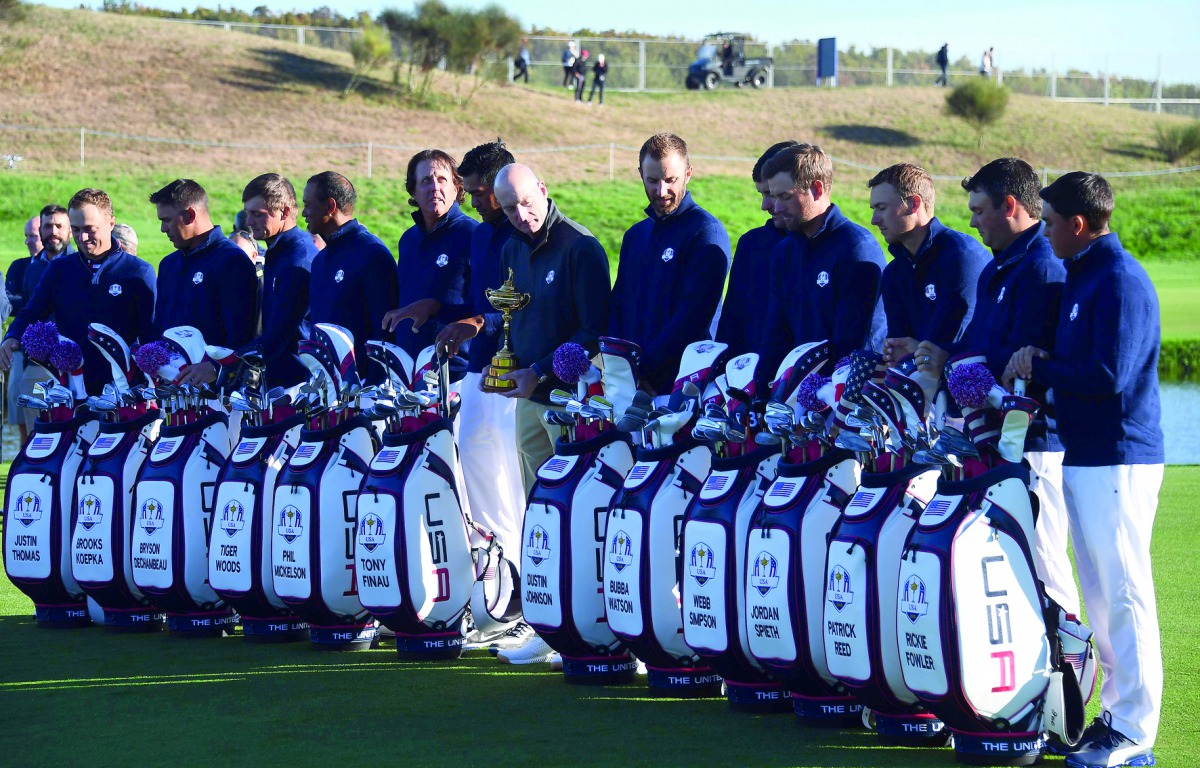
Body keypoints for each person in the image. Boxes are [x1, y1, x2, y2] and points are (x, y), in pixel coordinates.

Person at [1005, 172, 1163, 768]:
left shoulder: (1117, 279)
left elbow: (1109, 377)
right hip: (1088, 455)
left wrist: (1042, 367)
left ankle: (1134, 732)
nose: (1042, 231)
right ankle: (1114, 718)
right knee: (1101, 599)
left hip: (1120, 458)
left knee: (1124, 597)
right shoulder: (1083, 274)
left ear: (1076, 224)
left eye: (1047, 221)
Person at [920, 157, 1077, 615]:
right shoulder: (996, 268)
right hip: (995, 440)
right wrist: (949, 359)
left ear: (1010, 205)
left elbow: (1023, 362)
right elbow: (981, 349)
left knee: (1043, 560)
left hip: (1035, 442)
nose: (971, 220)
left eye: (978, 208)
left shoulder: (1042, 267)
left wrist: (975, 367)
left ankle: (1065, 673)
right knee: (1006, 557)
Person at [433, 140, 526, 619]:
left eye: (475, 192)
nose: (469, 201)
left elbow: (523, 304)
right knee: (476, 476)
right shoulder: (479, 235)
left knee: (514, 482)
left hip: (516, 377)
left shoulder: (526, 230)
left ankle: (530, 592)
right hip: (477, 371)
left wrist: (479, 322)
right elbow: (477, 302)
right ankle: (501, 585)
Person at [492, 162, 610, 493]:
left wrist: (539, 371)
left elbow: (595, 332)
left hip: (571, 398)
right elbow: (511, 318)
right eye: (510, 208)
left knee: (571, 497)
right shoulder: (510, 249)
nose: (520, 213)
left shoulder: (580, 246)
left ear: (542, 190)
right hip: (528, 398)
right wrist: (509, 363)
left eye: (526, 201)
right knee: (536, 499)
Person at [0, 188, 157, 396]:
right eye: (75, 229)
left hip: (125, 393)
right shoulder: (59, 270)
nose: (82, 237)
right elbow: (31, 312)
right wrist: (12, 336)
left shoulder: (138, 272)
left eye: (90, 229)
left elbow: (152, 334)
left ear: (111, 223)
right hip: (72, 389)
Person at [609, 133, 731, 399]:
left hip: (681, 388)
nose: (661, 191)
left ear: (688, 174)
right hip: (631, 385)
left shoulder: (706, 232)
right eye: (652, 180)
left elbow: (693, 317)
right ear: (640, 174)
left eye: (670, 180)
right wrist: (620, 367)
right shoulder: (635, 236)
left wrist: (641, 368)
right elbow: (619, 304)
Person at [758, 143, 887, 384]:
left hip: (850, 398)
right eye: (774, 197)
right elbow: (776, 333)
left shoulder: (856, 249)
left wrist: (820, 396)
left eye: (785, 196)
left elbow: (852, 344)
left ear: (816, 189)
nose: (776, 207)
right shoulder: (785, 252)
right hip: (798, 394)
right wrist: (762, 393)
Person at [867, 163, 989, 366]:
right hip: (916, 385)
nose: (874, 219)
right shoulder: (893, 272)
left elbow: (948, 347)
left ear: (914, 204)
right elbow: (899, 349)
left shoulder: (961, 258)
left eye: (881, 208)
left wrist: (918, 352)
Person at [150, 179, 259, 385]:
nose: (163, 229)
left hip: (215, 394)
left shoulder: (231, 260)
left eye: (166, 220)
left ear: (190, 215)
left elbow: (242, 333)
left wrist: (215, 367)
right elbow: (161, 327)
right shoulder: (168, 264)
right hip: (172, 391)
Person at [302, 170, 398, 379]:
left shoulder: (372, 254)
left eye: (308, 205)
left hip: (361, 392)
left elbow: (384, 333)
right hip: (325, 388)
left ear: (330, 206)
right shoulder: (320, 260)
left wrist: (372, 389)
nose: (303, 213)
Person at [382, 150, 474, 360]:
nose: (434, 187)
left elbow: (486, 309)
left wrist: (436, 308)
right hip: (408, 369)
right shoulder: (408, 240)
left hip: (456, 372)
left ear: (456, 187)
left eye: (442, 179)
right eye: (425, 180)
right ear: (413, 191)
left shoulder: (473, 235)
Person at [715, 141, 797, 359]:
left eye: (772, 194)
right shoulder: (750, 245)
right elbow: (731, 322)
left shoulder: (832, 247)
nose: (766, 205)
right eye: (762, 194)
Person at [241, 172, 316, 391]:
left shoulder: (299, 259)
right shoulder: (277, 249)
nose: (248, 221)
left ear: (284, 212)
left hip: (297, 384)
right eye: (248, 213)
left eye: (257, 214)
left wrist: (228, 360)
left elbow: (280, 334)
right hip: (277, 377)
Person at [14, 204, 78, 439]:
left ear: (70, 230)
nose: (54, 231)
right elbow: (29, 312)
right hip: (36, 363)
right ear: (40, 231)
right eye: (48, 226)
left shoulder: (79, 263)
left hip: (75, 363)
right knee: (35, 431)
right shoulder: (33, 268)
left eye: (59, 226)